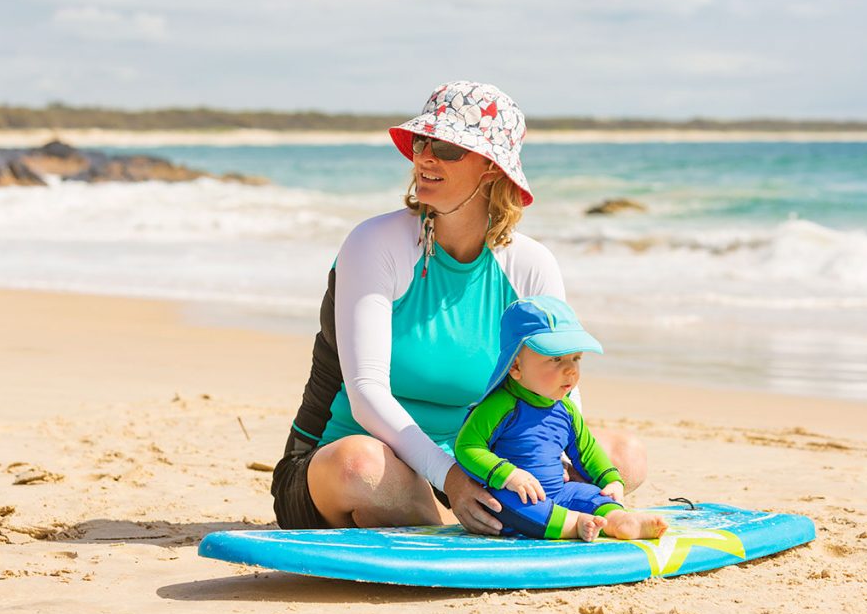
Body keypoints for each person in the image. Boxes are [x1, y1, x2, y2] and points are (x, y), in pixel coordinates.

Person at [271, 81, 648, 534]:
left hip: (481, 458)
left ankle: (480, 519)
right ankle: (455, 521)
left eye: (448, 148)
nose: (426, 156)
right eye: (422, 143)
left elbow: (560, 392)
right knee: (363, 466)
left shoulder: (530, 265)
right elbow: (366, 394)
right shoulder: (374, 244)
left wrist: (565, 468)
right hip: (350, 462)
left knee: (624, 455)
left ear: (491, 168)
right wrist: (451, 479)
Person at [455, 296, 668, 541]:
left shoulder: (565, 409)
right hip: (513, 495)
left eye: (575, 358)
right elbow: (467, 447)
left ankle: (619, 520)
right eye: (556, 359)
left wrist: (611, 480)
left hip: (559, 491)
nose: (571, 370)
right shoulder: (499, 406)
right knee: (506, 502)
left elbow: (587, 452)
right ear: (515, 367)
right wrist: (509, 476)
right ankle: (575, 523)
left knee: (592, 494)